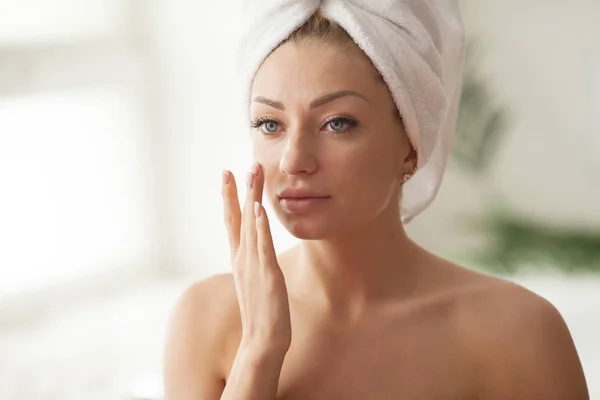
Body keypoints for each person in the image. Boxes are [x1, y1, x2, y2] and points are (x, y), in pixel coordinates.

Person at [163, 3, 590, 399]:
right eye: (270, 124)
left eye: (337, 123)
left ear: (410, 144)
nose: (294, 160)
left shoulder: (518, 332)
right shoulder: (208, 319)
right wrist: (258, 352)